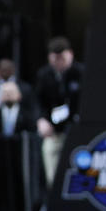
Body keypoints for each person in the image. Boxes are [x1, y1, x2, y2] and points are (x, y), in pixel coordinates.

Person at [34, 36, 83, 186]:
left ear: (70, 54)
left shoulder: (81, 73)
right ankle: (52, 197)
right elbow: (37, 102)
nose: (58, 62)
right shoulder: (44, 75)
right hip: (54, 131)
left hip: (77, 131)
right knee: (51, 169)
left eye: (62, 58)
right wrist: (41, 120)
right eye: (55, 58)